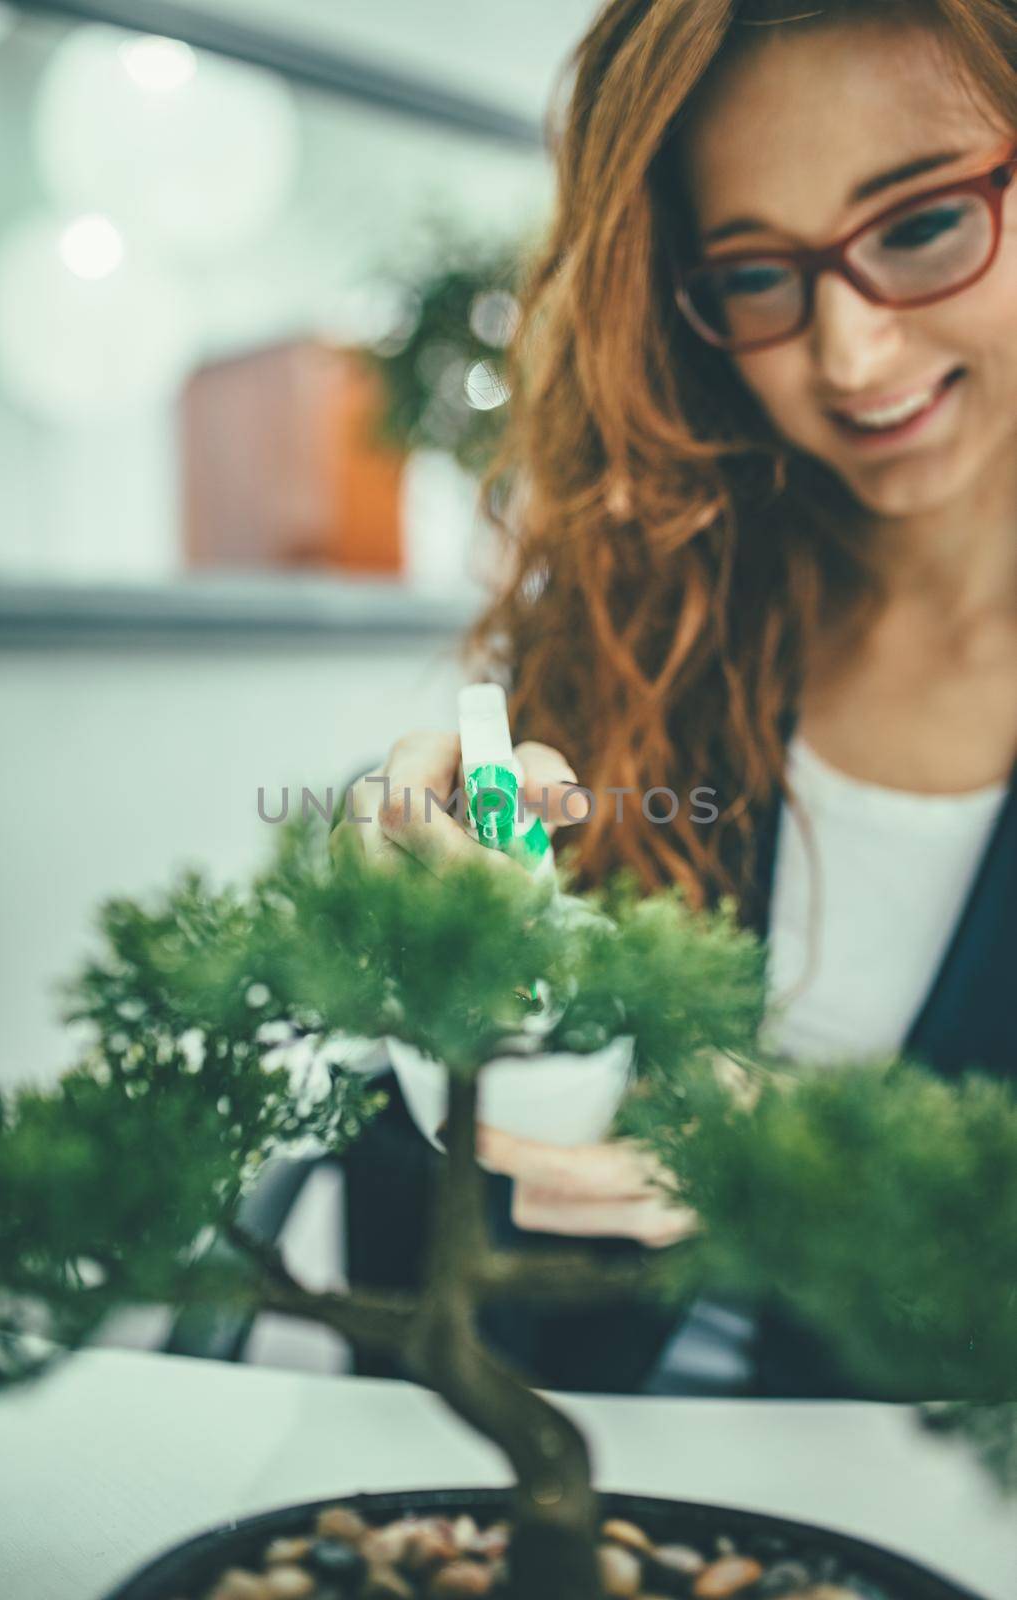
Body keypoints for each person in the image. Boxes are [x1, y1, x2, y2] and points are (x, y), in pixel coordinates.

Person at [331, 0, 1017, 1396]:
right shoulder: (658, 622)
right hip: (613, 1454)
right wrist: (416, 963)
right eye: (755, 275)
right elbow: (430, 1229)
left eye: (924, 224)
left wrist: (804, 1166)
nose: (850, 357)